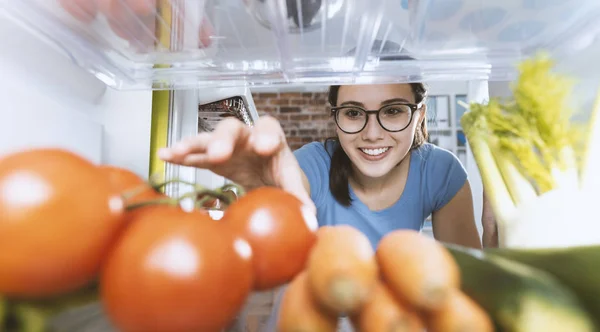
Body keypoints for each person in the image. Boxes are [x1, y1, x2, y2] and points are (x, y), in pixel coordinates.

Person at [159, 81, 482, 249]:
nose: (372, 134)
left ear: (419, 115)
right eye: (354, 113)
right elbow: (290, 192)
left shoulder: (439, 170)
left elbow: (471, 284)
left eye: (393, 111)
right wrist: (266, 193)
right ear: (336, 116)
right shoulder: (313, 162)